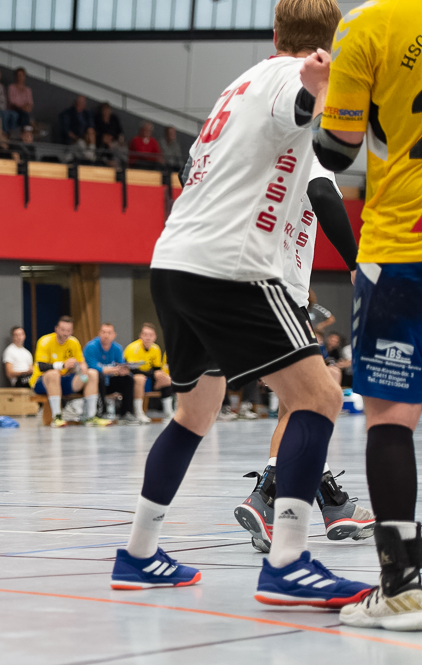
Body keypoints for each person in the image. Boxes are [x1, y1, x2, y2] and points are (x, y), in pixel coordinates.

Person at [110, 0, 371, 609]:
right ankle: (288, 563)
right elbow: (299, 103)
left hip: (174, 259)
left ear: (274, 31)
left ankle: (139, 553)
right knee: (320, 396)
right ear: (330, 42)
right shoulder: (291, 76)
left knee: (195, 411)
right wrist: (316, 88)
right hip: (233, 266)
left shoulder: (239, 84)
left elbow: (192, 169)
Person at [305, 0, 422, 629]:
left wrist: (325, 91)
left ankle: (403, 587)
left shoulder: (369, 23)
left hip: (404, 245)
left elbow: (335, 150)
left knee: (391, 419)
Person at [235, 156, 370, 554]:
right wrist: (356, 263)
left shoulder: (257, 150)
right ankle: (268, 497)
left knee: (297, 404)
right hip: (273, 291)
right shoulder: (309, 147)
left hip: (248, 289)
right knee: (320, 397)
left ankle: (331, 502)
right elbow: (323, 193)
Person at [28, 316, 110, 428]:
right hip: (43, 382)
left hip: (65, 381)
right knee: (53, 374)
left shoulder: (74, 342)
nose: (65, 333)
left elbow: (81, 362)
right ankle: (57, 417)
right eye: (63, 330)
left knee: (92, 373)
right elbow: (41, 366)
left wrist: (82, 367)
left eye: (68, 331)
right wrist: (63, 365)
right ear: (56, 329)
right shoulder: (45, 341)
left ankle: (91, 417)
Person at [84, 323, 135, 422]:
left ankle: (126, 413)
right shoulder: (91, 347)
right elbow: (91, 366)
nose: (106, 335)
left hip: (110, 381)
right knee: (99, 375)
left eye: (109, 333)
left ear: (114, 335)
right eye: (103, 332)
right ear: (99, 333)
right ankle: (101, 412)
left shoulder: (117, 348)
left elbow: (120, 365)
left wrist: (123, 371)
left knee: (128, 379)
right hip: (93, 382)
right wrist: (111, 370)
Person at [123, 323, 173, 422]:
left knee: (166, 379)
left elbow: (156, 368)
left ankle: (168, 413)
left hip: (148, 377)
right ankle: (139, 413)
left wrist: (159, 376)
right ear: (140, 336)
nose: (148, 338)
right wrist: (153, 374)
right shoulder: (133, 348)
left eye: (151, 335)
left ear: (155, 337)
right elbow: (133, 369)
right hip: (132, 378)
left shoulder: (156, 349)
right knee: (140, 378)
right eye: (145, 335)